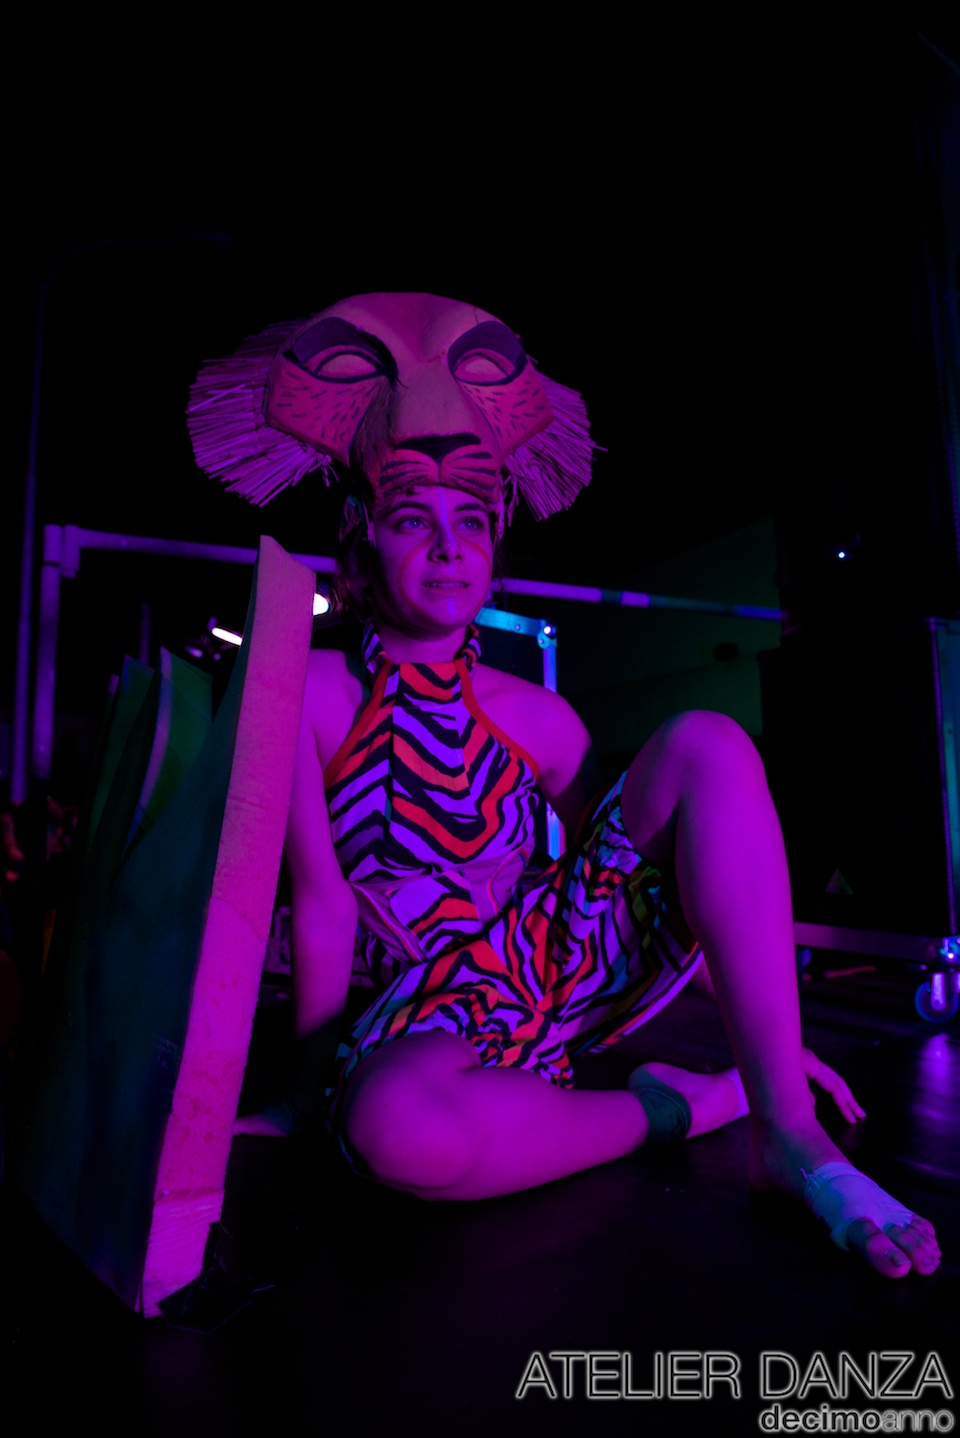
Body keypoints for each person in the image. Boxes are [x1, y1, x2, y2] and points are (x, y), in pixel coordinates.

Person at [191, 291, 940, 1277]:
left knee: (708, 743)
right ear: (363, 540)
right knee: (396, 1129)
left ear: (495, 541)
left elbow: (661, 879)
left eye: (471, 521)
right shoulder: (312, 690)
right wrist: (302, 1095)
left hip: (550, 975)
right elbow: (323, 905)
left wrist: (770, 1038)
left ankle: (786, 1130)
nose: (449, 547)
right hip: (415, 1021)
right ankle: (679, 1106)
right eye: (413, 520)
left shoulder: (540, 717)